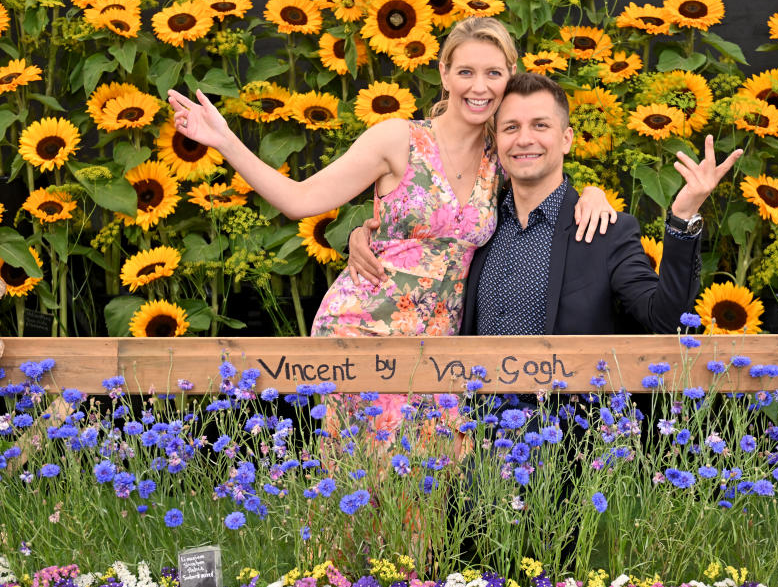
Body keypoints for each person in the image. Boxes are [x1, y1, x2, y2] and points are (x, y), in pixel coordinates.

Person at [167, 17, 615, 345]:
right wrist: (225, 141)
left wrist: (590, 194)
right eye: (465, 72)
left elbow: (544, 182)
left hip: (440, 351)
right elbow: (300, 200)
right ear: (443, 74)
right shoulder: (397, 139)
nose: (479, 87)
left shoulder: (499, 157)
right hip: (362, 332)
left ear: (508, 78)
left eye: (493, 73)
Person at [349, 73, 743, 335]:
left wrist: (684, 216)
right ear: (497, 141)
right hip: (474, 446)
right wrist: (366, 238)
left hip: (564, 445)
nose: (525, 139)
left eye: (540, 125)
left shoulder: (606, 231)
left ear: (567, 139)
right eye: (511, 127)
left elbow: (666, 320)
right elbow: (420, 255)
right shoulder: (476, 231)